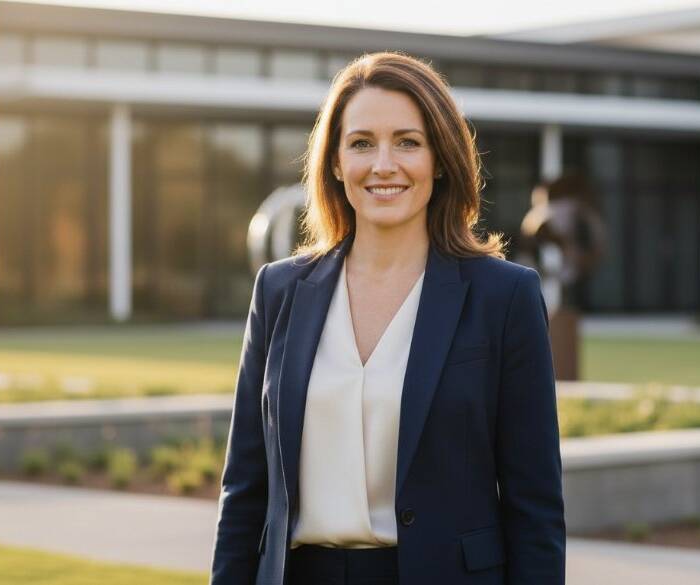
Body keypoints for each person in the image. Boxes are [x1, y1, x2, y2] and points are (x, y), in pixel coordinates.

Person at [210, 52, 565, 585]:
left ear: (440, 158)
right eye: (361, 143)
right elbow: (245, 491)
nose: (383, 164)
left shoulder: (505, 297)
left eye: (407, 141)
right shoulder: (279, 291)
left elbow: (534, 505)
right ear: (334, 162)